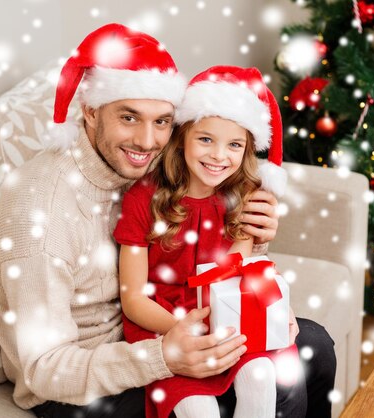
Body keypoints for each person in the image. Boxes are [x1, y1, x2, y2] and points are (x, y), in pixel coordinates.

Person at [0, 23, 336, 418]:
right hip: (85, 382)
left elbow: (201, 232)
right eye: (129, 118)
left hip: (165, 322)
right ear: (90, 111)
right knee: (274, 387)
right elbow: (42, 371)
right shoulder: (40, 213)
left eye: (162, 122)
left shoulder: (151, 166)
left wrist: (255, 246)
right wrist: (165, 356)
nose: (148, 141)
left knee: (314, 348)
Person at [114, 65, 297, 418]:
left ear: (246, 150)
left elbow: (235, 274)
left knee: (261, 375)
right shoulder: (142, 199)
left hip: (225, 315)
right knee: (197, 408)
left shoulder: (243, 196)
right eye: (206, 139)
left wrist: (270, 309)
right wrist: (186, 330)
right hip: (166, 323)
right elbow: (133, 297)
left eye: (234, 145)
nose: (218, 156)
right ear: (182, 136)